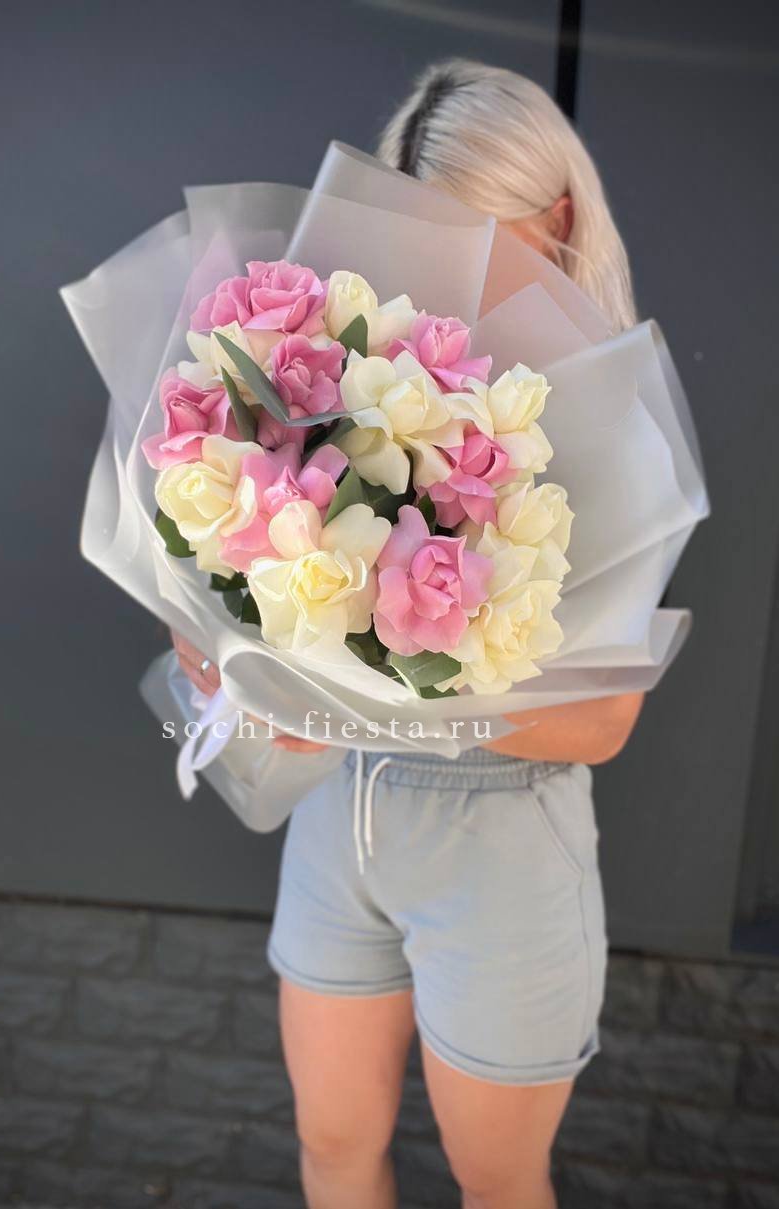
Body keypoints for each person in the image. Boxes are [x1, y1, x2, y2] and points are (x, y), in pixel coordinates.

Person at [174, 58, 645, 1209]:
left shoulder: (615, 423)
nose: (442, 275)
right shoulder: (362, 377)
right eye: (415, 237)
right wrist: (247, 644)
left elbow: (602, 722)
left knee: (498, 1186)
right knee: (333, 1151)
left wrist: (381, 690)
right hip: (342, 823)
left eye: (470, 238)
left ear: (557, 220)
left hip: (504, 851)